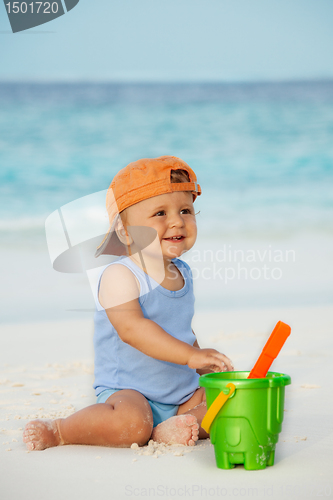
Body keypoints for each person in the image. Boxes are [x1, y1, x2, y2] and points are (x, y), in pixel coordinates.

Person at [23, 156, 233, 451]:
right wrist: (189, 356)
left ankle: (167, 430)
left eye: (185, 210)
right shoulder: (120, 275)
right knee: (132, 423)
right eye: (160, 213)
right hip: (129, 392)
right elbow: (131, 329)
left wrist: (202, 364)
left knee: (227, 399)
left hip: (180, 394)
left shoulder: (182, 273)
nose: (177, 220)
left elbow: (180, 331)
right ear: (124, 231)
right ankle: (61, 431)